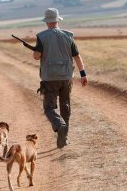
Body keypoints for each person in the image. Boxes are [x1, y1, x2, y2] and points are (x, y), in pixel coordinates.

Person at [33, 8, 88, 148]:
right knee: (65, 106)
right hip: (66, 77)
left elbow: (36, 57)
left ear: (46, 22)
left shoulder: (42, 36)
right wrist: (83, 74)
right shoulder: (68, 36)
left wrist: (38, 50)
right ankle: (64, 138)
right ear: (57, 20)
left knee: (49, 108)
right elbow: (77, 57)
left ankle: (59, 125)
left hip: (49, 78)